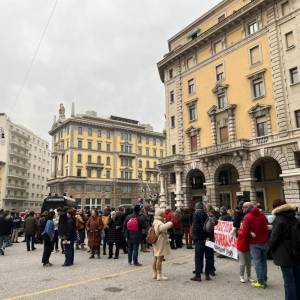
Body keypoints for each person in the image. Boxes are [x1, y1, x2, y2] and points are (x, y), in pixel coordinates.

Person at [270, 199, 300, 300]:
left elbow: (274, 238)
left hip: (284, 253)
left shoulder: (279, 219)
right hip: (296, 251)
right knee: (297, 278)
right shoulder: (295, 217)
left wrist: (271, 249)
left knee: (288, 281)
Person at [241, 202, 269, 288]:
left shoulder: (247, 217)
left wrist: (249, 232)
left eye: (243, 207)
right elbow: (266, 224)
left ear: (247, 208)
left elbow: (245, 232)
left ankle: (260, 282)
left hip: (254, 243)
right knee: (263, 261)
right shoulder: (262, 214)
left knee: (257, 262)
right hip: (265, 241)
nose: (242, 209)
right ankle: (264, 278)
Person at [190, 202, 212, 282]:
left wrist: (194, 237)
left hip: (199, 239)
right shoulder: (206, 214)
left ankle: (198, 275)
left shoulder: (196, 214)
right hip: (207, 238)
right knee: (208, 257)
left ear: (196, 207)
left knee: (198, 257)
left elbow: (196, 226)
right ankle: (207, 275)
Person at [152, 209, 173, 281]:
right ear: (160, 215)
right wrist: (169, 223)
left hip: (156, 240)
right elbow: (162, 228)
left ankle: (155, 273)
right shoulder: (159, 222)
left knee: (155, 257)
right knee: (160, 259)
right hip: (160, 241)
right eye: (163, 214)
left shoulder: (155, 221)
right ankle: (159, 275)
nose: (164, 215)